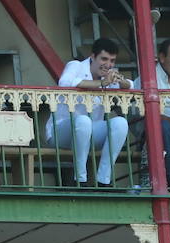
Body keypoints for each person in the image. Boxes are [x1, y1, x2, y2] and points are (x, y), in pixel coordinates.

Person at [47, 40, 132, 189]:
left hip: (90, 132)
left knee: (120, 123)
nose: (108, 64)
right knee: (83, 121)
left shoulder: (108, 75)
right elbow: (64, 82)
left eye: (112, 61)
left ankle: (104, 180)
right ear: (93, 56)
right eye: (104, 59)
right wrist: (102, 83)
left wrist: (119, 80)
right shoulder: (76, 66)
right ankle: (80, 179)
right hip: (60, 131)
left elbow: (132, 85)